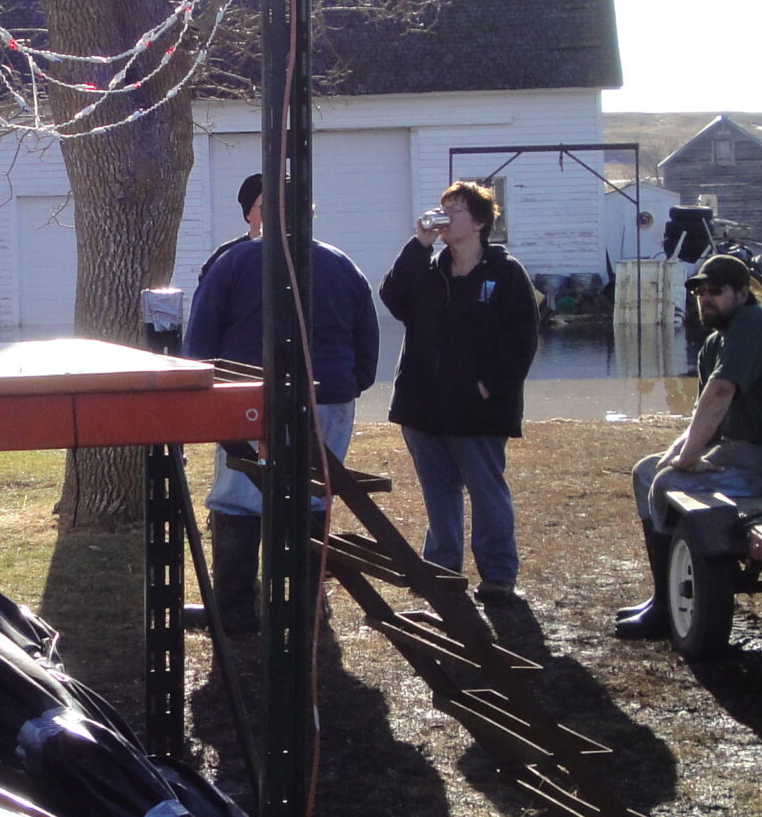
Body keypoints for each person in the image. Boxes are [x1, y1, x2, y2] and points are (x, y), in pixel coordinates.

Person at [183, 171, 380, 631]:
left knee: (237, 499)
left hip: (249, 399)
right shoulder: (341, 264)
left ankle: (234, 609)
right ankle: (303, 608)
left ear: (263, 212)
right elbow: (366, 337)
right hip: (329, 397)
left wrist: (205, 399)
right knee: (311, 496)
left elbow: (201, 336)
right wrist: (349, 384)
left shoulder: (232, 263)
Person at [613, 251, 762, 640]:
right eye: (700, 292)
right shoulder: (715, 343)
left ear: (743, 294)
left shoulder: (756, 323)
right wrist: (675, 456)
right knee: (648, 473)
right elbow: (704, 418)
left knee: (669, 485)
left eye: (716, 291)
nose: (705, 299)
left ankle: (672, 608)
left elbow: (722, 390)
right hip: (745, 454)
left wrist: (688, 461)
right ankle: (663, 596)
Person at [378, 180, 541, 597]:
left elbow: (522, 339)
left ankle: (498, 576)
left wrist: (489, 387)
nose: (444, 218)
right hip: (422, 406)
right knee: (439, 493)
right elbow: (393, 297)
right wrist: (418, 245)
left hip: (478, 409)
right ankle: (442, 569)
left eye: (456, 211)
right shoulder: (427, 270)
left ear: (481, 222)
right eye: (442, 208)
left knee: (488, 494)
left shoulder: (505, 273)